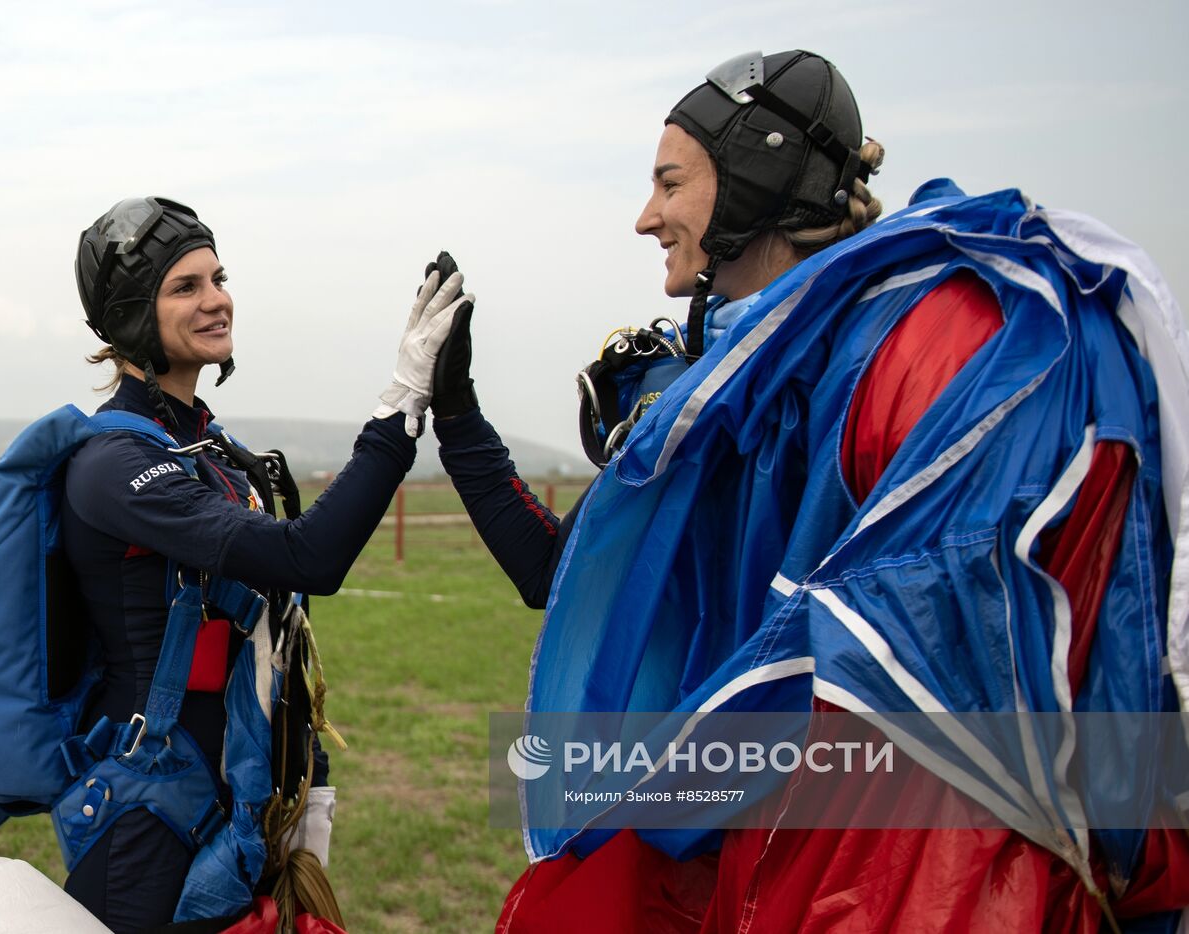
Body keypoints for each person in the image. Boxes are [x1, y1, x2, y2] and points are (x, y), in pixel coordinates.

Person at [428, 52, 1189, 931]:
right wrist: (457, 416)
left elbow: (950, 693)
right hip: (738, 858)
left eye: (670, 184)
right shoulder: (737, 387)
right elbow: (568, 578)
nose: (647, 217)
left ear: (754, 173)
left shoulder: (914, 351)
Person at [62, 196, 471, 932]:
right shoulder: (114, 464)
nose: (218, 300)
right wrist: (403, 405)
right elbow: (308, 556)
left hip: (241, 795)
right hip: (151, 820)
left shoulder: (207, 450)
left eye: (218, 278)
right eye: (186, 287)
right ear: (129, 314)